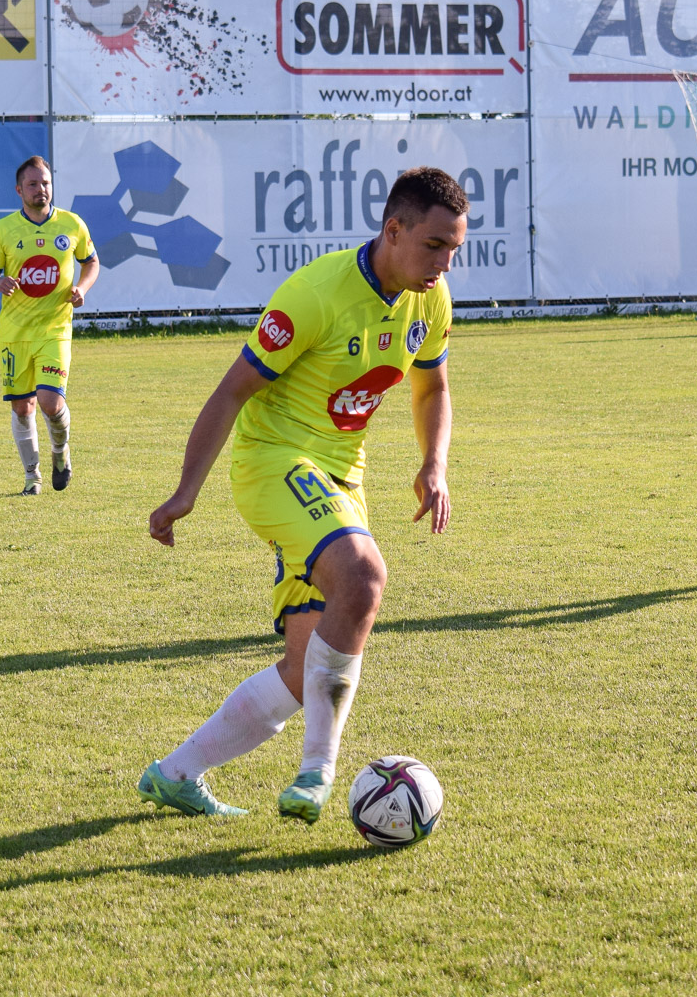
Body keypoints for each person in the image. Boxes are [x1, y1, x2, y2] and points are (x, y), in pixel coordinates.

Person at [139, 167, 461, 824]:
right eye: (434, 246)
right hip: (274, 460)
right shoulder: (315, 293)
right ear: (393, 231)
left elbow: (432, 388)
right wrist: (185, 492)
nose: (444, 264)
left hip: (342, 477)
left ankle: (175, 774)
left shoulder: (431, 299)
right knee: (364, 577)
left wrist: (434, 463)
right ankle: (319, 771)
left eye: (454, 249)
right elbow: (232, 389)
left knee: (305, 665)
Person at [0, 156, 100, 495]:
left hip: (54, 330)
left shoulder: (71, 224)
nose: (40, 189)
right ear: (19, 190)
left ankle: (60, 453)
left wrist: (82, 289)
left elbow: (91, 263)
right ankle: (32, 477)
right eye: (32, 184)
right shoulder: (4, 229)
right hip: (15, 333)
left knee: (50, 401)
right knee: (22, 407)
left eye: (45, 183)